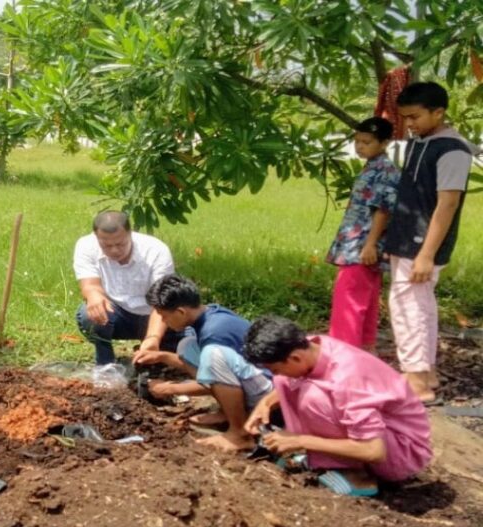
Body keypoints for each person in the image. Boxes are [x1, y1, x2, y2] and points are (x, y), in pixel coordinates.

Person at [243, 316, 432, 497]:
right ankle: (323, 459)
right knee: (285, 381)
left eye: (274, 368)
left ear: (296, 358)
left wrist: (299, 440)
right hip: (384, 432)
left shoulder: (347, 378)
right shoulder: (311, 346)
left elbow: (374, 450)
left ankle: (356, 475)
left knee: (312, 397)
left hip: (402, 450)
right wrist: (265, 403)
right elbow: (296, 377)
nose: (275, 373)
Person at [385, 82, 480, 403]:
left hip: (422, 243)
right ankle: (424, 372)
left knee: (408, 307)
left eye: (415, 117)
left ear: (438, 112)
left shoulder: (452, 151)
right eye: (405, 118)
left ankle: (416, 382)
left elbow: (447, 204)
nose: (409, 124)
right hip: (406, 238)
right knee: (418, 305)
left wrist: (426, 254)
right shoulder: (420, 142)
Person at [134, 275, 273, 451]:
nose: (163, 322)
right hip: (254, 377)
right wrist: (162, 356)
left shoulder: (214, 333)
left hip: (269, 392)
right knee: (187, 346)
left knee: (211, 355)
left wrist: (171, 389)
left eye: (164, 316)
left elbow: (215, 379)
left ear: (181, 312)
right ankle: (227, 412)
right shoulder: (211, 314)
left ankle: (239, 434)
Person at [324, 117, 400, 353]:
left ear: (385, 142)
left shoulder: (386, 171)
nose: (360, 146)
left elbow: (383, 210)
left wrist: (370, 245)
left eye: (366, 142)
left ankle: (344, 353)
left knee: (349, 302)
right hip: (354, 243)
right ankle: (365, 351)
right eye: (357, 141)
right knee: (364, 300)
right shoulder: (372, 166)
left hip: (361, 246)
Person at [73, 210, 179, 365]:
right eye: (106, 246)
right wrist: (93, 295)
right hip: (117, 314)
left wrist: (153, 338)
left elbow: (163, 301)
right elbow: (90, 285)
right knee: (88, 314)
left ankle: (153, 348)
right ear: (96, 238)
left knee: (178, 354)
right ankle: (105, 363)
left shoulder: (156, 251)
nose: (114, 250)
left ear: (130, 234)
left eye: (120, 244)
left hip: (156, 314)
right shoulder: (85, 245)